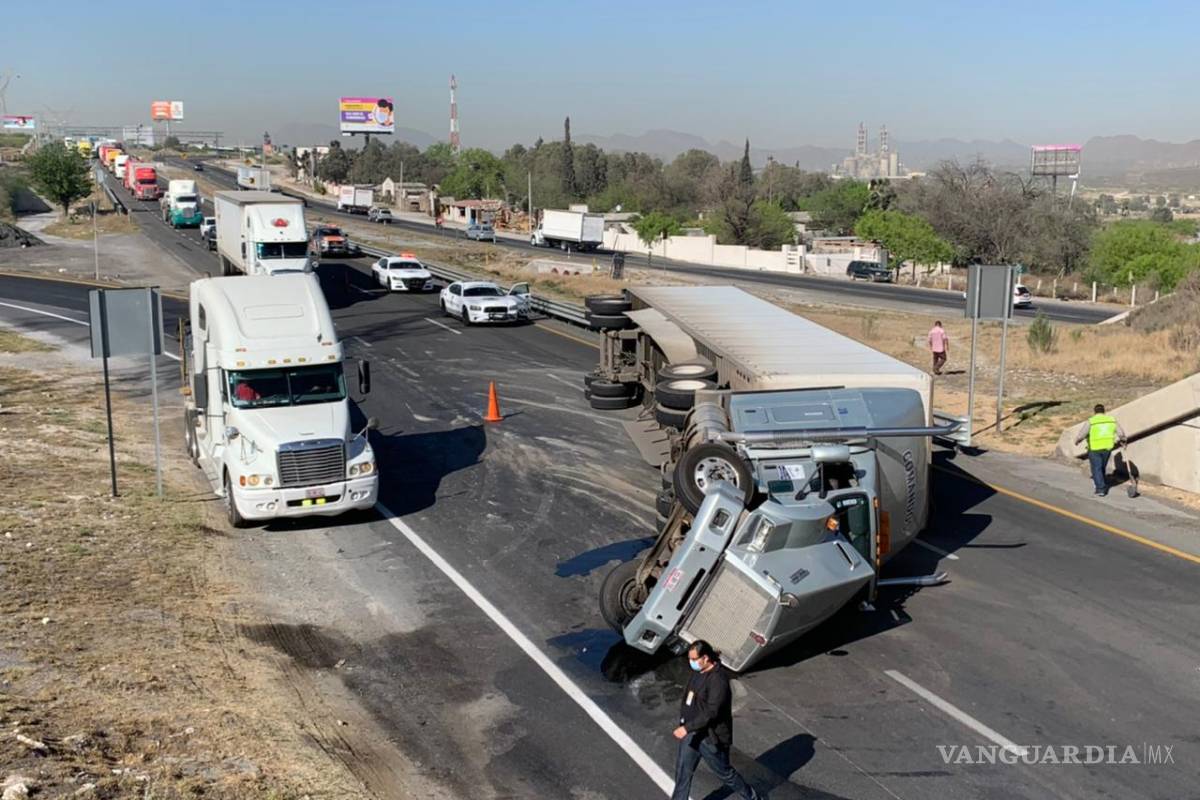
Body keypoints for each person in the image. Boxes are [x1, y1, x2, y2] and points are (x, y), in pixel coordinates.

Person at [671, 641, 764, 800]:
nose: (691, 663)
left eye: (694, 659)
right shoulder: (698, 672)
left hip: (709, 738)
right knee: (683, 772)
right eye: (689, 659)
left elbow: (711, 712)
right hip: (692, 733)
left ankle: (752, 797)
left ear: (705, 658)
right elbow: (689, 697)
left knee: (725, 773)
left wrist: (686, 728)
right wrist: (684, 722)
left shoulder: (718, 680)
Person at [1074, 404, 1127, 496]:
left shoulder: (1091, 421)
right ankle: (1101, 482)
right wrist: (1123, 440)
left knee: (1096, 468)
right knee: (1102, 466)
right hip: (1107, 448)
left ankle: (1100, 489)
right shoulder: (1111, 420)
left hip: (1094, 448)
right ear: (1104, 411)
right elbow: (1121, 433)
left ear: (1095, 412)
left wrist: (1077, 440)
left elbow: (1083, 433)